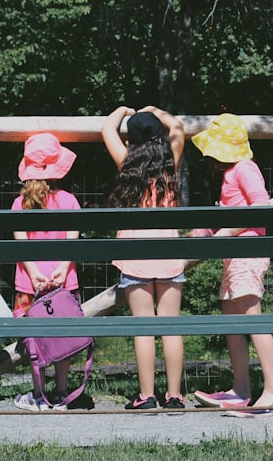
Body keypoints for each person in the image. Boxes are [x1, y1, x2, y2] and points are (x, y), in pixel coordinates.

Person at [190, 114, 273, 417]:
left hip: (248, 253)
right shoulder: (233, 171)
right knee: (232, 316)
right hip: (236, 254)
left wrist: (227, 231)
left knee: (250, 316)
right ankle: (241, 389)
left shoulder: (245, 168)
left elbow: (260, 206)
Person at [102, 105, 186, 411]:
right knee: (171, 326)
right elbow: (177, 126)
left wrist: (122, 110)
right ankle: (175, 396)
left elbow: (106, 130)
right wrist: (156, 110)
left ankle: (146, 395)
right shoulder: (170, 168)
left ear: (133, 142)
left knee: (143, 326)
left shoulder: (127, 165)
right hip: (169, 256)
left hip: (136, 256)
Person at [10, 133, 82, 411]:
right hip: (65, 282)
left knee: (35, 341)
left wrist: (34, 272)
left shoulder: (20, 203)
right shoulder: (68, 200)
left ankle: (39, 395)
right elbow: (72, 239)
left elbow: (21, 241)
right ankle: (62, 393)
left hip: (30, 283)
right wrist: (63, 268)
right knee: (63, 338)